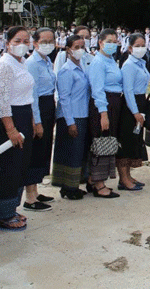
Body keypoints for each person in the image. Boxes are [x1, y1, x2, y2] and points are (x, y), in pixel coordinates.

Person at [0, 26, 35, 231]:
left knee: (19, 166)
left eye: (25, 41)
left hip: (23, 115)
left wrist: (31, 120)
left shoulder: (22, 63)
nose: (22, 45)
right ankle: (3, 214)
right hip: (8, 119)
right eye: (17, 41)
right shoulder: (4, 65)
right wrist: (11, 129)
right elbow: (1, 101)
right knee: (7, 167)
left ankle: (12, 208)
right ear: (7, 43)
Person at [51, 34, 90, 200]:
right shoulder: (66, 71)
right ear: (68, 50)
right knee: (71, 152)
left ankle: (73, 185)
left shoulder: (82, 67)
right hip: (71, 117)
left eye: (82, 47)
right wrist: (70, 122)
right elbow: (64, 98)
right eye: (76, 47)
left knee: (78, 152)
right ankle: (68, 187)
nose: (80, 50)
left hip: (82, 114)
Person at [23, 27, 56, 211]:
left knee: (44, 149)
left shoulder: (47, 61)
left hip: (49, 104)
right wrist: (37, 121)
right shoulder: (32, 63)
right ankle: (29, 197)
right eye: (44, 41)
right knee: (35, 150)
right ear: (35, 43)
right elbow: (33, 95)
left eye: (51, 41)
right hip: (39, 108)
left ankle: (36, 190)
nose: (48, 45)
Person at [87, 29, 122, 199]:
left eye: (115, 42)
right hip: (103, 105)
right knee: (101, 141)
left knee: (108, 141)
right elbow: (97, 90)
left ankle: (94, 179)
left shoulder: (111, 60)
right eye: (109, 41)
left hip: (113, 103)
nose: (112, 45)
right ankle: (98, 184)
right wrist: (103, 113)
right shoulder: (98, 62)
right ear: (100, 43)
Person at [118, 33, 149, 191]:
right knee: (126, 141)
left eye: (143, 45)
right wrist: (135, 112)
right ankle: (123, 179)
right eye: (137, 46)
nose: (141, 48)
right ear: (130, 48)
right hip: (131, 105)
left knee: (134, 140)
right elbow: (128, 90)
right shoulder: (129, 65)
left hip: (140, 102)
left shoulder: (141, 63)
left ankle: (128, 176)